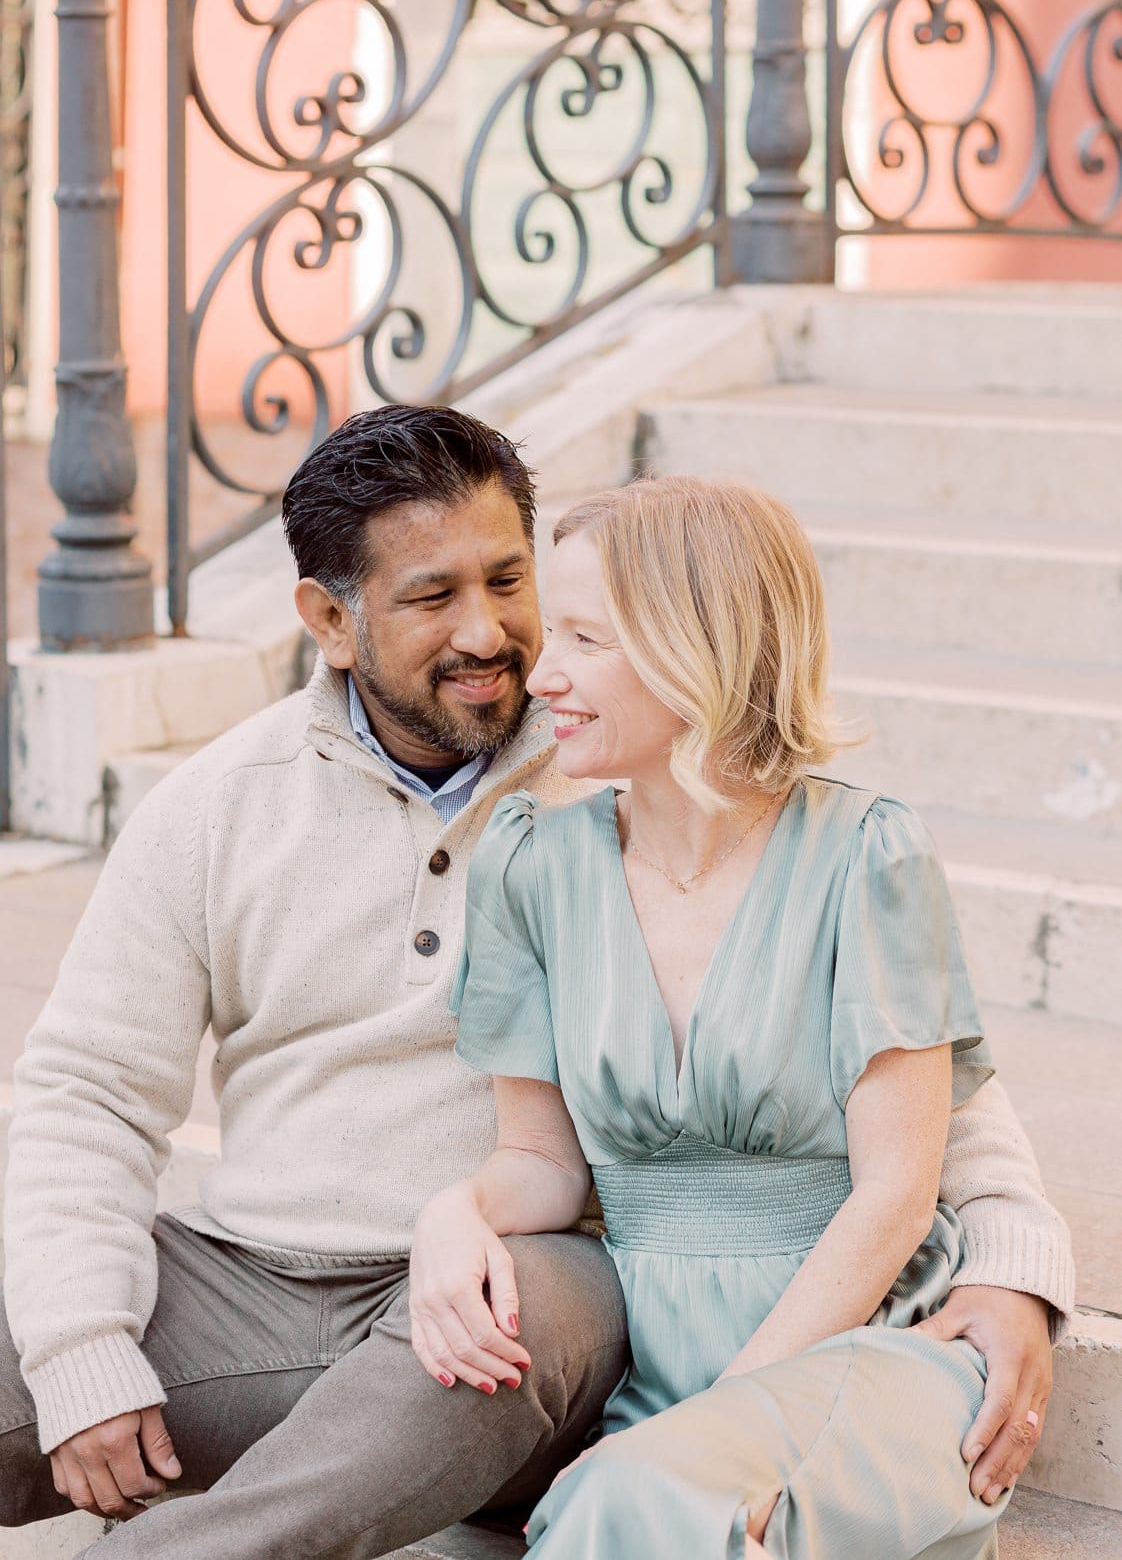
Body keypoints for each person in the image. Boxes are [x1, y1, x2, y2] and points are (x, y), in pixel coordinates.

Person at [0, 411, 1070, 1560]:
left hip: (530, 1295)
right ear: (331, 621)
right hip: (262, 1276)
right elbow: (88, 1091)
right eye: (433, 598)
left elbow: (926, 1084)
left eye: (510, 582)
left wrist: (1019, 1267)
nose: (496, 638)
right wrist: (81, 1349)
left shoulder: (621, 748)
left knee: (487, 1339)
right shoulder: (224, 807)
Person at [410, 475, 1070, 1560]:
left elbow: (898, 1197)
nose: (547, 674)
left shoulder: (866, 857)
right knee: (634, 1502)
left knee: (639, 1501)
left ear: (694, 649)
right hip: (663, 1373)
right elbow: (544, 1163)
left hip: (867, 1349)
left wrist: (713, 1423)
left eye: (588, 638)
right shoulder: (531, 866)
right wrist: (455, 1213)